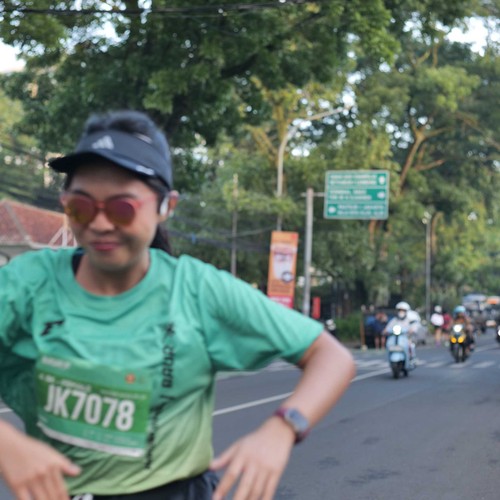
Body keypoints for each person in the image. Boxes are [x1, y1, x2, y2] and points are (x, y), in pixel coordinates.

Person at [0, 110, 356, 500]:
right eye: (81, 207)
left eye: (122, 208)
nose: (99, 224)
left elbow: (331, 357)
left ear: (166, 206)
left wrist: (282, 428)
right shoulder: (25, 285)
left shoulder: (197, 290)